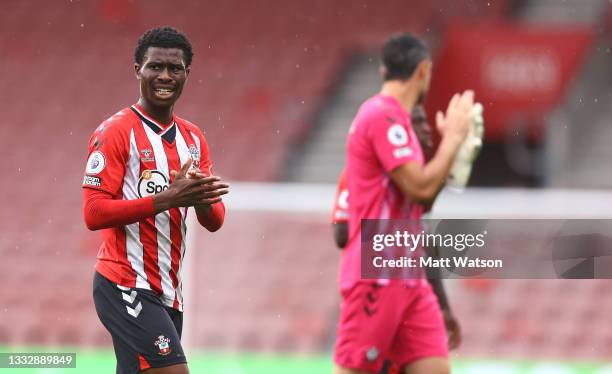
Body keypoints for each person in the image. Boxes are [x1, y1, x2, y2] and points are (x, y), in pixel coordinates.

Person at [82, 26, 228, 374]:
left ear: (186, 74)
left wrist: (199, 196)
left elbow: (215, 221)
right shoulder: (115, 132)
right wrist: (168, 198)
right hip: (125, 283)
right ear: (138, 71)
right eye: (155, 67)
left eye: (174, 68)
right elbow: (93, 212)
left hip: (168, 291)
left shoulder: (193, 139)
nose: (165, 76)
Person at [334, 33, 474, 374]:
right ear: (423, 71)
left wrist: (452, 161)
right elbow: (422, 190)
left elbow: (418, 207)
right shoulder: (382, 115)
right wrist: (452, 139)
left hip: (411, 277)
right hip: (378, 273)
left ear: (385, 71)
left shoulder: (399, 121)